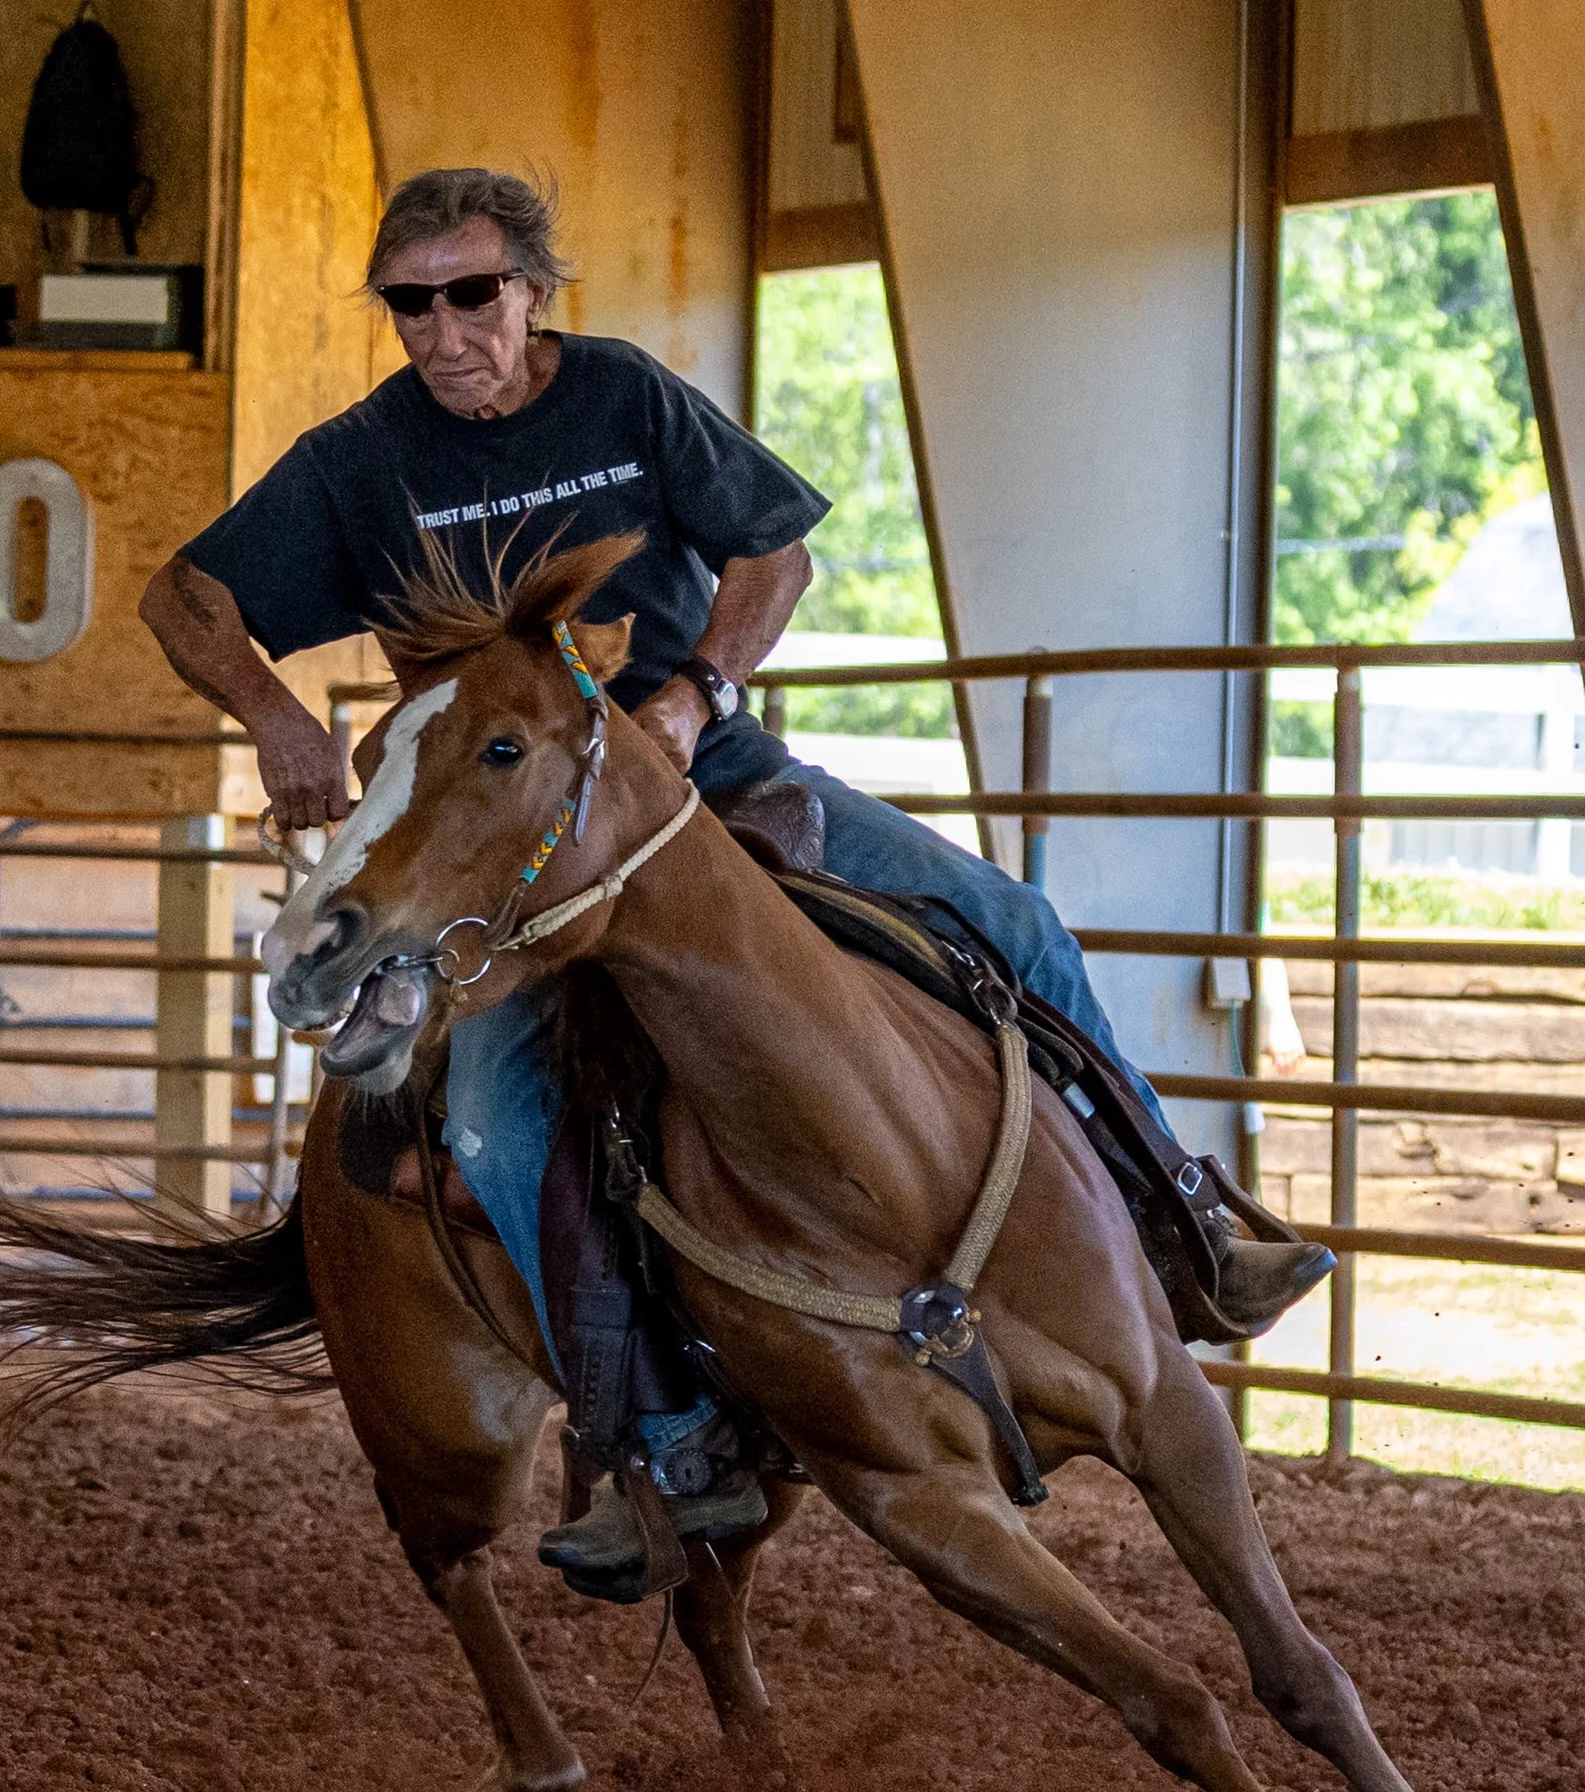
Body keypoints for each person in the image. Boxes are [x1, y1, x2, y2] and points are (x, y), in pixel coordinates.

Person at [141, 168, 1331, 1587]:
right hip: (506, 849)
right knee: (500, 1132)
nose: (443, 332)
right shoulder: (360, 462)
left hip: (708, 777)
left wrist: (697, 692)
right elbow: (182, 597)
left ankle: (1180, 1219)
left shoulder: (626, 399)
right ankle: (658, 1443)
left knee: (1010, 919)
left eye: (472, 296)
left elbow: (775, 551)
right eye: (412, 305)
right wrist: (274, 717)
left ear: (534, 291)